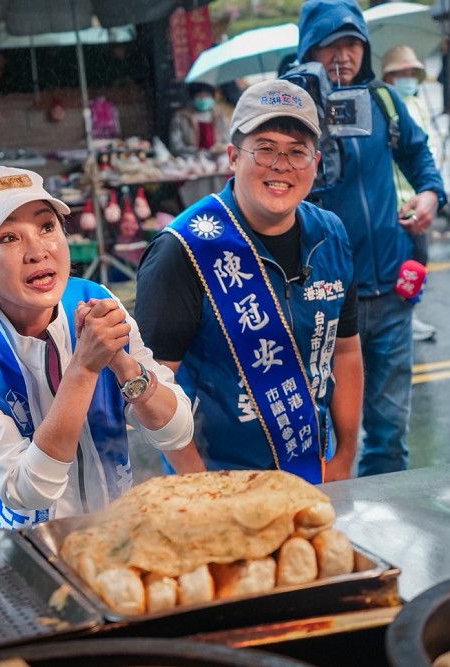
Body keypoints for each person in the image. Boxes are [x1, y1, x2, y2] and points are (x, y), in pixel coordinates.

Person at [0, 166, 196, 534]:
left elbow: (175, 431)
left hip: (106, 535)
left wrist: (123, 365)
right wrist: (83, 369)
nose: (37, 251)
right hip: (1, 554)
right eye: (9, 237)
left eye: (47, 227)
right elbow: (28, 489)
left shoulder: (96, 301)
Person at [135, 79, 363, 483]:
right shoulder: (183, 250)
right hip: (216, 482)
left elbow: (344, 353)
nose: (281, 165)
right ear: (232, 157)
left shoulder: (331, 236)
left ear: (315, 162)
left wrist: (344, 456)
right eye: (265, 149)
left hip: (313, 473)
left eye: (297, 152)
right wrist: (201, 486)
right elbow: (152, 390)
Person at [294, 0, 447, 476]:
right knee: (317, 436)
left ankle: (388, 537)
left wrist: (429, 196)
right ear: (308, 49)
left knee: (388, 436)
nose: (343, 55)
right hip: (323, 303)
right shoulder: (291, 109)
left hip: (389, 295)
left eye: (352, 43)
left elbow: (419, 155)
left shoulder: (382, 100)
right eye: (330, 45)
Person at [381, 44, 440, 343]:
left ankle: (410, 310)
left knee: (419, 258)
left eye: (410, 72)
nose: (407, 78)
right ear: (387, 77)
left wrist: (433, 187)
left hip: (419, 199)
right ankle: (404, 316)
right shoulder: (384, 107)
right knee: (399, 261)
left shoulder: (415, 104)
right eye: (400, 73)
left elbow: (424, 151)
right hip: (395, 202)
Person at [168, 82, 232, 157]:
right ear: (193, 97)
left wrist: (218, 149)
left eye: (206, 95)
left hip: (217, 159)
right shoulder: (181, 117)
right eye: (200, 96)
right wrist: (196, 152)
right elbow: (176, 147)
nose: (203, 99)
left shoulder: (220, 116)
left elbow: (227, 141)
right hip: (190, 160)